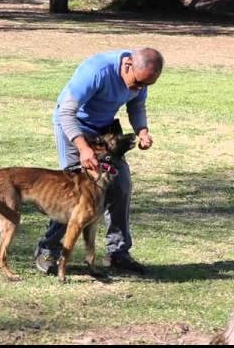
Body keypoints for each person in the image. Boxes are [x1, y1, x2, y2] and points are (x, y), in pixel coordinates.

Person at [34, 47, 164, 275]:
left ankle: (118, 253)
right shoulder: (97, 71)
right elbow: (65, 112)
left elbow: (136, 105)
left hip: (104, 131)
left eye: (145, 85)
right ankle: (48, 250)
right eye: (137, 83)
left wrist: (142, 131)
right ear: (127, 66)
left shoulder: (141, 78)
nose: (139, 89)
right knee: (75, 193)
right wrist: (83, 148)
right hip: (73, 126)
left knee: (120, 185)